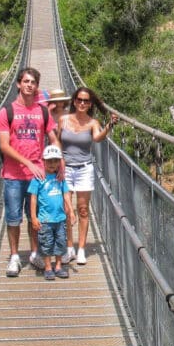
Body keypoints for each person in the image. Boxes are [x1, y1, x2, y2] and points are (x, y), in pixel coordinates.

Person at [0, 68, 59, 277]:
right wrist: (28, 163)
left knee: (35, 218)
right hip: (14, 175)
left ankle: (34, 253)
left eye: (33, 82)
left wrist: (60, 159)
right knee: (13, 219)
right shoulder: (7, 111)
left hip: (37, 175)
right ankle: (14, 257)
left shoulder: (43, 111)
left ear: (37, 86)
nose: (30, 85)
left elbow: (53, 137)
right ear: (18, 84)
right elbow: (4, 146)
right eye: (26, 81)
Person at [58, 86, 118, 264]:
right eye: (79, 100)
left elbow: (97, 138)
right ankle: (69, 248)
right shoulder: (63, 120)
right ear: (74, 101)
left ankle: (81, 249)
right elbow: (57, 142)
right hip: (65, 168)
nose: (82, 103)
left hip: (84, 169)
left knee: (83, 209)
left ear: (90, 104)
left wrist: (109, 126)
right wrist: (58, 164)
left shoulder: (93, 122)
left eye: (86, 101)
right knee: (67, 209)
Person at [28, 145, 76, 280]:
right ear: (43, 161)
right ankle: (48, 267)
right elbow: (33, 198)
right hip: (45, 219)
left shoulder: (60, 178)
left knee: (61, 243)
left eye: (55, 161)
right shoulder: (38, 178)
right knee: (47, 244)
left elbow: (66, 195)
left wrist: (71, 211)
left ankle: (59, 266)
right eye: (49, 161)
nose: (52, 164)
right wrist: (33, 217)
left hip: (60, 218)